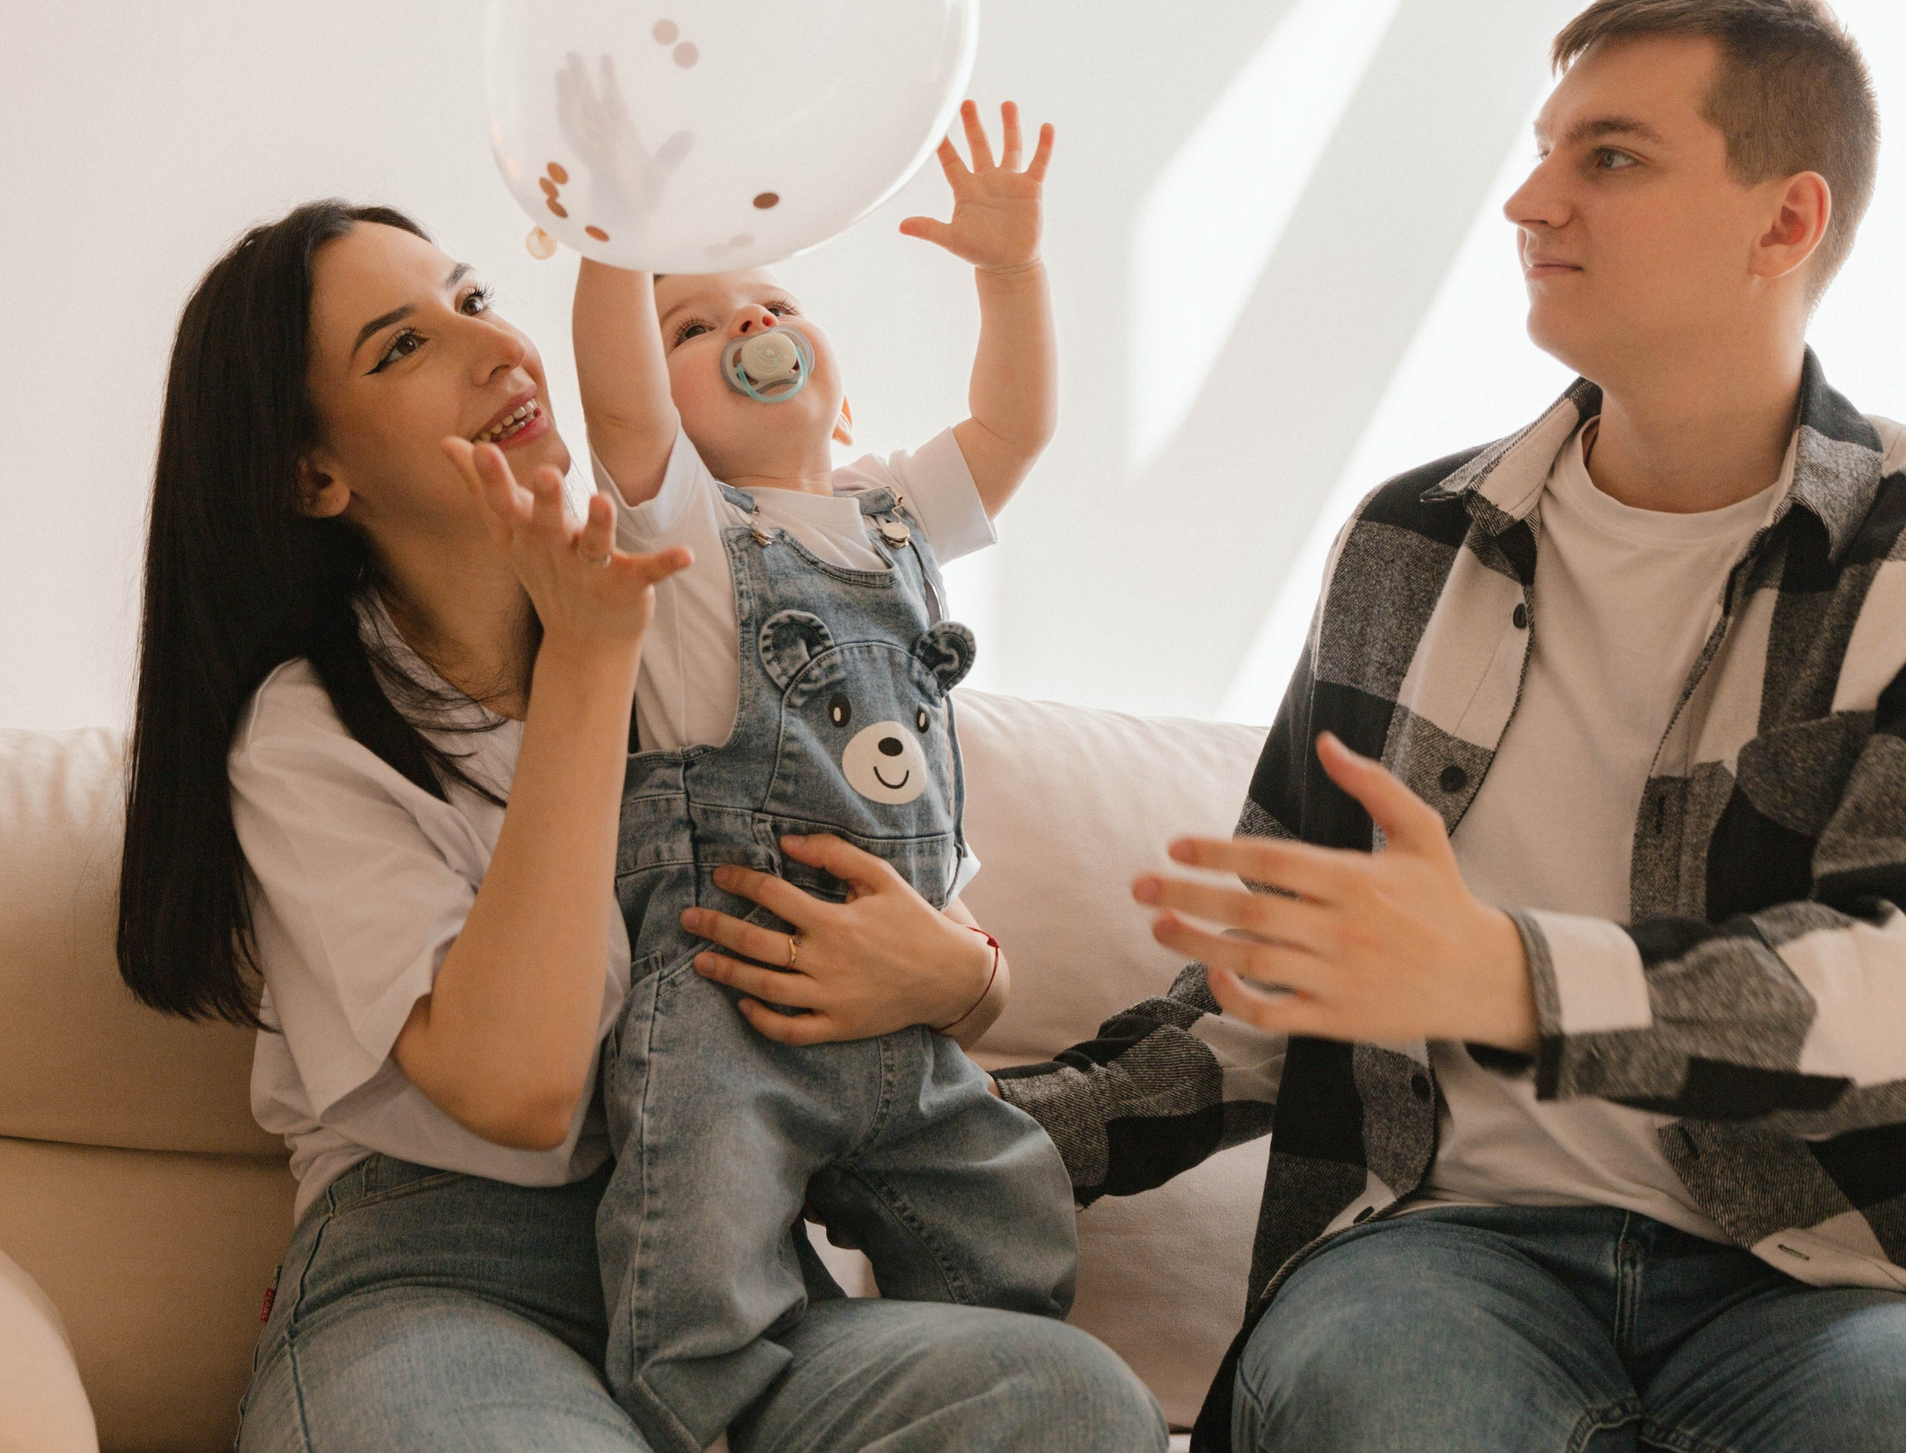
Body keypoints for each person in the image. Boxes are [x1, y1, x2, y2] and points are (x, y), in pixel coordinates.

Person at [989, 0, 1906, 1452]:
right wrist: (968, 1130)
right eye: (1545, 149)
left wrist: (1507, 975)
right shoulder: (1410, 543)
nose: (1532, 200)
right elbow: (1277, 989)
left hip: (1831, 1265)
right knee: (1374, 1397)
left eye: (1609, 156)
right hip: (1443, 1244)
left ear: (1784, 221)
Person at [113, 200, 1164, 1453]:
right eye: (402, 348)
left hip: (735, 1277)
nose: (493, 349)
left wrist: (969, 982)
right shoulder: (308, 734)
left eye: (475, 300)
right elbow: (523, 1085)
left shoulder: (700, 598)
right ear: (313, 473)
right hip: (450, 1282)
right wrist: (589, 667)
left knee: (1069, 1398)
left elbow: (872, 860)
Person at [565, 97, 1077, 1453]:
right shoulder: (678, 523)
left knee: (1013, 1210)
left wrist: (1008, 270)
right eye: (694, 324)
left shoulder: (896, 510)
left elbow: (1015, 427)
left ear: (841, 398)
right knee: (697, 1264)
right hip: (731, 1002)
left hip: (908, 1009)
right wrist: (620, 232)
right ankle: (704, 1416)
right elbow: (615, 397)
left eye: (766, 301)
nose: (743, 324)